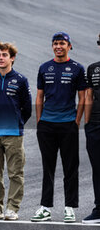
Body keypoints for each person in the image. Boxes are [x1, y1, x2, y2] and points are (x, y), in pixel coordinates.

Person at [31, 32, 86, 223]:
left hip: (68, 124)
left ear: (69, 46)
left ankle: (69, 207)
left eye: (62, 43)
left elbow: (83, 98)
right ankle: (45, 208)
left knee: (71, 167)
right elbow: (39, 96)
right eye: (55, 43)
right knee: (48, 167)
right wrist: (39, 121)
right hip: (47, 124)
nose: (58, 46)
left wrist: (76, 121)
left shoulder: (78, 68)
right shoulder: (44, 67)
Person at [0, 42, 32, 220]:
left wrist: (16, 123)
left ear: (12, 58)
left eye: (4, 55)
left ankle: (12, 208)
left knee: (15, 173)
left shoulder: (20, 80)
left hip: (14, 134)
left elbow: (27, 108)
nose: (1, 58)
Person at [83, 33, 100, 224]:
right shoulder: (93, 68)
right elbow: (88, 97)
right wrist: (87, 124)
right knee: (97, 168)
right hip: (94, 125)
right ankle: (99, 209)